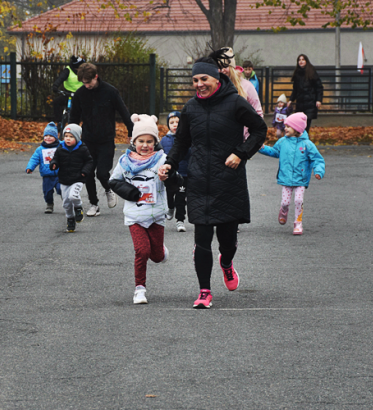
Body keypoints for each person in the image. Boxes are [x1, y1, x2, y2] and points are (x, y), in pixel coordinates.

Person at [159, 58, 267, 309]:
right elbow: (181, 143)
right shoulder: (190, 108)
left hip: (228, 179)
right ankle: (204, 291)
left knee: (227, 241)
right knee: (202, 238)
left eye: (204, 79)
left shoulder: (235, 103)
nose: (199, 84)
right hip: (199, 179)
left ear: (216, 80)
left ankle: (226, 263)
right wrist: (169, 164)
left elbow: (260, 129)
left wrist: (241, 153)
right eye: (195, 80)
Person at [109, 114, 181, 305]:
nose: (145, 145)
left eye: (150, 141)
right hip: (135, 216)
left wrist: (168, 176)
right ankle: (139, 289)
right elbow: (113, 181)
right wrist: (130, 192)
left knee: (156, 257)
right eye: (141, 141)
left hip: (157, 214)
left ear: (155, 142)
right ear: (133, 141)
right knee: (142, 251)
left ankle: (161, 252)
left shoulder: (161, 159)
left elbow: (177, 181)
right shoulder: (125, 161)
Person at [69, 62, 134, 217]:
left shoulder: (110, 92)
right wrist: (71, 136)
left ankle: (108, 188)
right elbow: (74, 119)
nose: (86, 85)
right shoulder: (80, 94)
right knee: (88, 172)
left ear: (95, 77)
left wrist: (131, 131)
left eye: (88, 82)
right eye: (83, 83)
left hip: (106, 139)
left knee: (103, 173)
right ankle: (94, 204)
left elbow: (124, 112)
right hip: (88, 139)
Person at [258, 112, 325, 236]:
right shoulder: (283, 142)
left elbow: (317, 159)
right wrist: (262, 148)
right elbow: (274, 152)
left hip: (301, 179)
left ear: (297, 128)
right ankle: (283, 210)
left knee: (299, 200)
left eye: (289, 126)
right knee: (285, 202)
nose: (285, 128)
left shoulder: (307, 145)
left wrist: (319, 171)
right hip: (286, 177)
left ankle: (298, 223)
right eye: (285, 126)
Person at [209, 48, 263, 138]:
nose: (222, 70)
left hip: (242, 139)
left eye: (225, 66)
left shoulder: (247, 86)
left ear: (232, 67)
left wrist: (252, 137)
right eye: (219, 67)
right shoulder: (214, 87)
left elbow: (257, 112)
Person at [49, 124, 94, 233]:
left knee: (73, 196)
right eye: (66, 136)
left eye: (71, 136)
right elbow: (55, 159)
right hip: (64, 179)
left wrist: (84, 172)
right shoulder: (60, 149)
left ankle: (78, 208)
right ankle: (70, 219)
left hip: (78, 178)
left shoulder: (82, 149)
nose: (68, 139)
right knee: (66, 202)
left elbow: (89, 161)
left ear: (77, 137)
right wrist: (54, 164)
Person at [159, 111, 189, 232]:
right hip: (170, 174)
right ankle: (170, 207)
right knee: (170, 195)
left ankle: (180, 220)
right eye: (172, 122)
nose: (175, 124)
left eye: (178, 122)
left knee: (181, 198)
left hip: (184, 174)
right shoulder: (164, 140)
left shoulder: (188, 138)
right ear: (168, 125)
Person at [25, 122, 61, 213]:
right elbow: (34, 159)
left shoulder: (61, 146)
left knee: (61, 189)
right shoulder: (40, 149)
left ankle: (68, 202)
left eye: (51, 136)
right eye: (46, 135)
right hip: (47, 175)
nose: (48, 137)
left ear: (56, 137)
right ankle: (49, 204)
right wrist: (30, 167)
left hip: (60, 174)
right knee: (47, 192)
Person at [288, 54, 323, 133]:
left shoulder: (311, 72)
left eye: (303, 60)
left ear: (306, 61)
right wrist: (291, 99)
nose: (301, 61)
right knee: (299, 124)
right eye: (299, 60)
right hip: (300, 102)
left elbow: (319, 87)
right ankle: (302, 141)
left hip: (310, 102)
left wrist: (319, 100)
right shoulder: (297, 73)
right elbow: (295, 89)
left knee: (306, 125)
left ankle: (305, 141)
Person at [52, 56, 85, 126]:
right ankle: (60, 122)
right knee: (56, 102)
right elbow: (60, 78)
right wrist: (55, 86)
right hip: (68, 94)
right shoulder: (68, 70)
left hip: (81, 95)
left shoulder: (84, 71)